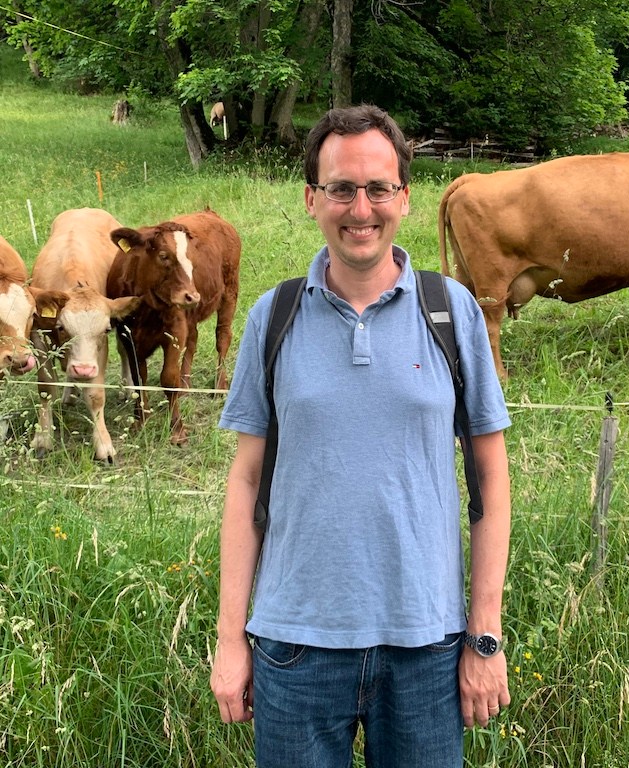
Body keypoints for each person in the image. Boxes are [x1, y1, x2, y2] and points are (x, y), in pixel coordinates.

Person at [210, 104, 512, 768]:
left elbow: (491, 480)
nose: (361, 208)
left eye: (378, 188)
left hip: (427, 645)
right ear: (311, 199)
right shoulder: (273, 316)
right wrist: (230, 639)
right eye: (341, 188)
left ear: (404, 197)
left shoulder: (451, 312)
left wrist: (484, 636)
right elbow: (246, 482)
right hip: (295, 644)